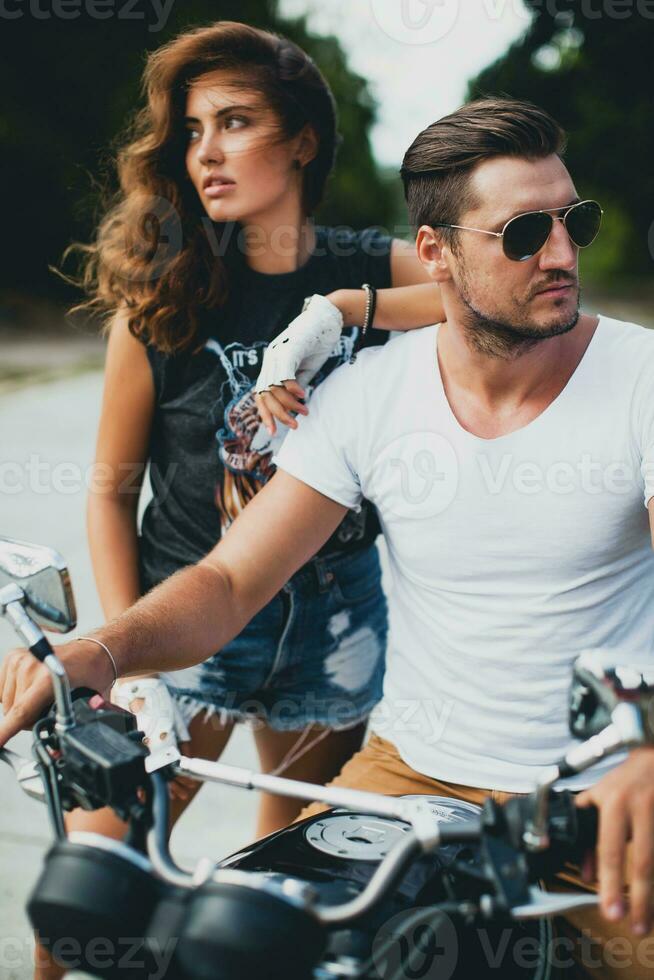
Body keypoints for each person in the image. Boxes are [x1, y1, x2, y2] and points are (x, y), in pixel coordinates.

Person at [3, 97, 652, 978]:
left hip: (609, 796)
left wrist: (646, 748)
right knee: (232, 945)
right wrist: (105, 651)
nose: (563, 253)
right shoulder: (365, 396)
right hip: (411, 779)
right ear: (437, 253)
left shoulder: (641, 380)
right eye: (525, 231)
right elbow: (232, 582)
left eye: (575, 221)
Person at [25, 18, 446, 980]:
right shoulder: (162, 292)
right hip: (187, 621)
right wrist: (124, 650)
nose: (205, 150)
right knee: (90, 877)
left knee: (275, 901)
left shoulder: (363, 267)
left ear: (301, 138)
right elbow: (108, 493)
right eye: (190, 128)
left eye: (236, 121)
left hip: (333, 630)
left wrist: (343, 310)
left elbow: (498, 283)